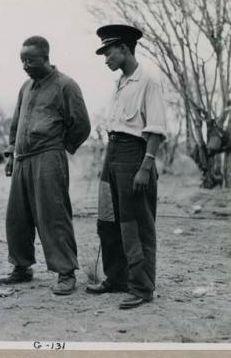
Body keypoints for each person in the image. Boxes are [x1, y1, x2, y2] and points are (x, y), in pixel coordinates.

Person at [86, 25, 167, 309]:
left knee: (135, 223)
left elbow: (155, 129)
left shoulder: (149, 80)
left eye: (108, 52)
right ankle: (116, 278)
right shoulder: (120, 82)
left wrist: (146, 166)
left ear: (123, 48)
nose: (106, 58)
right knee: (108, 219)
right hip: (113, 153)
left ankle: (141, 287)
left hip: (136, 154)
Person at [3, 36, 91, 295]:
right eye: (22, 61)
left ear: (45, 57)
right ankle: (22, 267)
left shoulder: (66, 85)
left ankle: (66, 272)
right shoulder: (25, 87)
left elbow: (82, 125)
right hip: (22, 159)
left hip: (49, 158)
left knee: (53, 216)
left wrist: (58, 147)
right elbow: (16, 123)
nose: (25, 65)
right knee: (17, 217)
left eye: (30, 60)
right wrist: (11, 153)